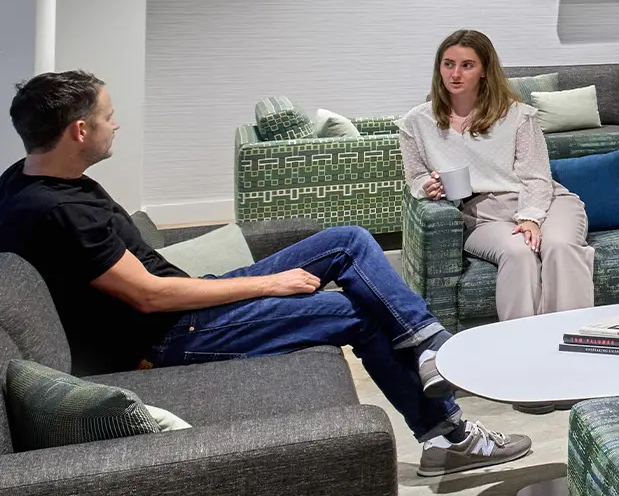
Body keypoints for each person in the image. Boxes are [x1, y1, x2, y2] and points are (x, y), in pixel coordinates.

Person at [0, 70, 532, 475]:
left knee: (348, 240)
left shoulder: (24, 182)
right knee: (360, 312)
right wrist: (269, 284)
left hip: (191, 303)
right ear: (78, 129)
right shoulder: (58, 212)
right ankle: (448, 438)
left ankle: (428, 347)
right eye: (108, 116)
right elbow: (149, 297)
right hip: (172, 335)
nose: (115, 124)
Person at [396, 31, 594, 323]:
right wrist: (429, 187)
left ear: (485, 70)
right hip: (480, 214)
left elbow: (537, 177)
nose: (455, 74)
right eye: (448, 64)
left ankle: (572, 338)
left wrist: (530, 218)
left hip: (547, 202)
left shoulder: (518, 116)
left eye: (467, 65)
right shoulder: (416, 122)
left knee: (560, 247)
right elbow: (415, 177)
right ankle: (521, 346)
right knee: (518, 253)